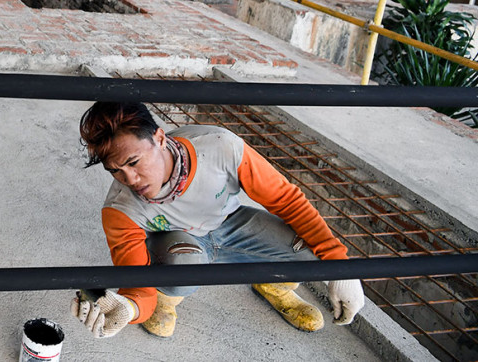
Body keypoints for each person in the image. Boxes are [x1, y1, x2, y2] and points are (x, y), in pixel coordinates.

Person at [71, 101, 364, 339]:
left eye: (134, 162)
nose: (130, 179)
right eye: (116, 171)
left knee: (310, 254)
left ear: (160, 139)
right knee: (180, 270)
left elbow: (287, 201)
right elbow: (138, 287)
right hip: (179, 244)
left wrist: (341, 267)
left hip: (231, 223)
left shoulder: (221, 147)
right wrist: (130, 308)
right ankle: (168, 298)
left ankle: (274, 285)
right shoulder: (120, 210)